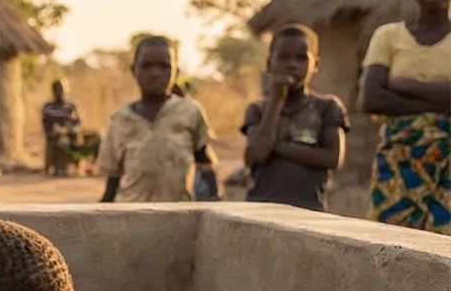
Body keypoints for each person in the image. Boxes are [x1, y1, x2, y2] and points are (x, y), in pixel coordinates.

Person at [359, 0, 451, 234]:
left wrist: (403, 85)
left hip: (447, 166)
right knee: (390, 243)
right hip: (397, 165)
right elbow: (371, 98)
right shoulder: (387, 36)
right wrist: (441, 103)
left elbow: (384, 94)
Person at [240, 25, 348, 211]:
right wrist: (276, 99)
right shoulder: (258, 109)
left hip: (309, 210)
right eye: (283, 57)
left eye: (301, 58)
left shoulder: (327, 107)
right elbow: (256, 155)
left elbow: (332, 158)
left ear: (316, 65)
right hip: (260, 209)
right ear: (269, 63)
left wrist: (277, 146)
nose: (292, 64)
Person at [97, 36, 215, 203]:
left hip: (178, 216)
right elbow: (112, 181)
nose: (155, 73)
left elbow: (205, 163)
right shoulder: (119, 120)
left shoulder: (190, 112)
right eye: (147, 66)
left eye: (164, 66)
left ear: (177, 71)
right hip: (129, 217)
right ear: (134, 70)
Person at [40, 81, 81, 176]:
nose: (62, 92)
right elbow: (45, 123)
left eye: (63, 89)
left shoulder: (71, 105)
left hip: (69, 132)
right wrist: (54, 129)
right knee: (58, 139)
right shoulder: (48, 106)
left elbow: (78, 122)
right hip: (54, 133)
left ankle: (67, 166)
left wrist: (69, 129)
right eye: (58, 90)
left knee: (68, 139)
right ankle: (58, 167)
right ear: (54, 91)